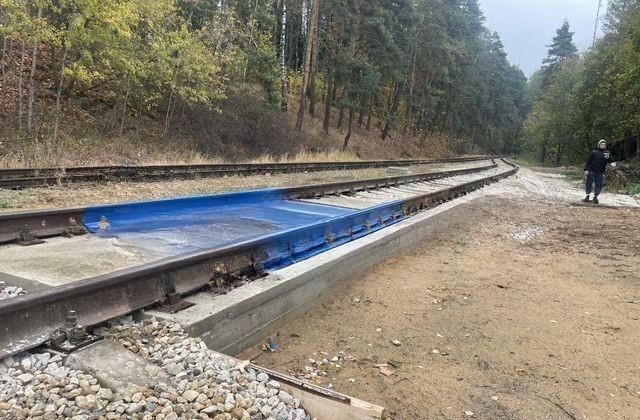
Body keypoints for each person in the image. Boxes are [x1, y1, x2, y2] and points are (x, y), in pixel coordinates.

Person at [583, 139, 616, 204]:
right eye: (601, 144)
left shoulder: (607, 153)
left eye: (604, 144)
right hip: (591, 170)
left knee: (598, 185)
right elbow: (588, 161)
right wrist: (586, 169)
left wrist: (612, 162)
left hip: (600, 172)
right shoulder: (594, 152)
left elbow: (610, 160)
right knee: (589, 183)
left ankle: (595, 197)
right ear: (599, 145)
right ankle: (587, 196)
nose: (603, 145)